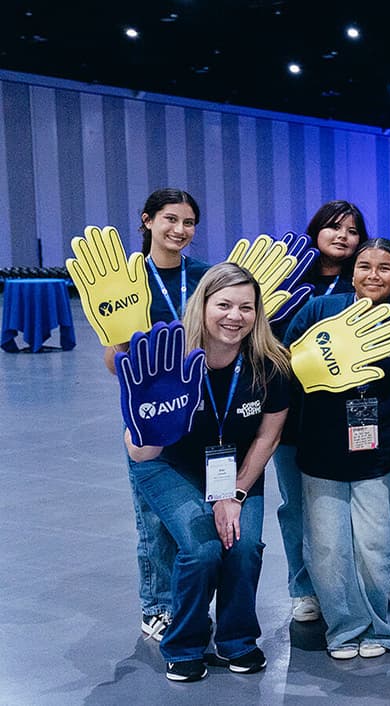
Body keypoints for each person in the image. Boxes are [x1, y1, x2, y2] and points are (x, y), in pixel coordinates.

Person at [126, 262, 290, 682]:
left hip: (236, 471)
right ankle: (183, 644)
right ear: (202, 305)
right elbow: (139, 453)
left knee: (244, 546)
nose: (235, 316)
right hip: (169, 466)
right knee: (202, 551)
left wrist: (233, 495)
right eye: (224, 304)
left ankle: (237, 641)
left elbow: (267, 438)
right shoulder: (171, 360)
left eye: (246, 307)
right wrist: (152, 427)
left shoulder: (271, 364)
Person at [283, 239, 390, 660]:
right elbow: (282, 365)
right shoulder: (319, 311)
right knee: (327, 547)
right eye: (364, 266)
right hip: (321, 450)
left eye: (384, 268)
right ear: (352, 271)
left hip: (380, 455)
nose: (372, 275)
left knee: (375, 546)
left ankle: (379, 624)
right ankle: (343, 628)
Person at [109, 188, 211, 643]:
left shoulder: (205, 277)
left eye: (188, 223)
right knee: (153, 517)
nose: (180, 230)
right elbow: (112, 360)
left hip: (205, 409)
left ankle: (190, 603)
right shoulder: (125, 280)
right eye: (170, 219)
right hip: (149, 413)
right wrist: (132, 352)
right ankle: (157, 605)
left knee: (194, 515)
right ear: (147, 220)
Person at [270, 200, 366, 624]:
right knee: (296, 506)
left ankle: (346, 585)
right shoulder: (286, 281)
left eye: (352, 229)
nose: (343, 235)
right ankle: (303, 586)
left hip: (345, 412)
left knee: (342, 507)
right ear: (315, 230)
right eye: (333, 227)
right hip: (290, 410)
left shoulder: (364, 278)